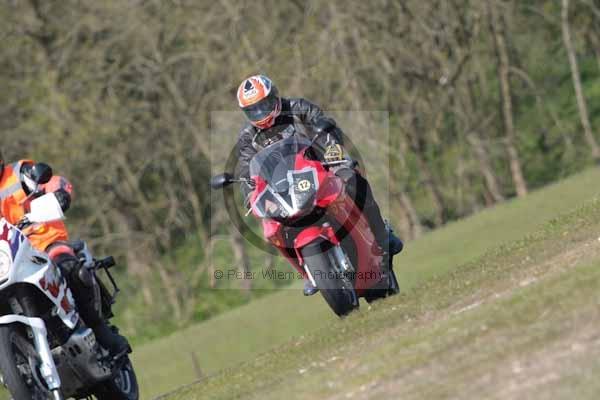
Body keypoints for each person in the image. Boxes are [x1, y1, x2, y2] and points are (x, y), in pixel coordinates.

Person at [235, 75, 403, 296]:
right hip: (282, 189)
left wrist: (333, 151)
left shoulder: (298, 108)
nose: (260, 113)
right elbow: (246, 171)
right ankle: (310, 272)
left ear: (274, 96)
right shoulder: (247, 137)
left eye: (263, 105)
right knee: (272, 227)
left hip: (321, 167)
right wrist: (250, 195)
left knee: (354, 180)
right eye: (253, 110)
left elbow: (326, 128)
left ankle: (382, 235)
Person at [0, 151, 129, 357]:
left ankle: (100, 331)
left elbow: (53, 182)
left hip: (43, 244)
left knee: (67, 268)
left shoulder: (19, 174)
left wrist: (58, 193)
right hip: (7, 263)